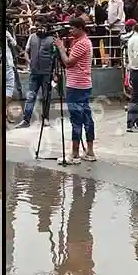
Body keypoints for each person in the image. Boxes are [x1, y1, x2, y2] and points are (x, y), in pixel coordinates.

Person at [53, 17, 96, 164]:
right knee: (86, 118)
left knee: (76, 120)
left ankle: (75, 154)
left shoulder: (81, 43)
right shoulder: (84, 42)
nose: (70, 31)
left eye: (72, 28)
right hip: (83, 84)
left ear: (79, 28)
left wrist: (60, 47)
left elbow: (68, 62)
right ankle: (89, 152)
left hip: (76, 85)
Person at [15, 19, 55, 129]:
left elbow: (56, 57)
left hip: (47, 73)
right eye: (36, 25)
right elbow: (26, 51)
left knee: (46, 97)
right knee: (30, 96)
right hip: (34, 72)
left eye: (38, 25)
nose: (36, 27)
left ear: (45, 26)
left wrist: (55, 73)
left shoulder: (52, 39)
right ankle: (26, 120)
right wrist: (28, 61)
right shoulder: (32, 37)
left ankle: (45, 119)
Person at [107, 0, 125, 67]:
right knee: (111, 46)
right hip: (110, 27)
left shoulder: (120, 2)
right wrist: (108, 22)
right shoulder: (110, 1)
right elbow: (109, 13)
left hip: (116, 27)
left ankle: (118, 62)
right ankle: (111, 62)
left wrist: (112, 23)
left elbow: (119, 16)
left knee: (117, 46)